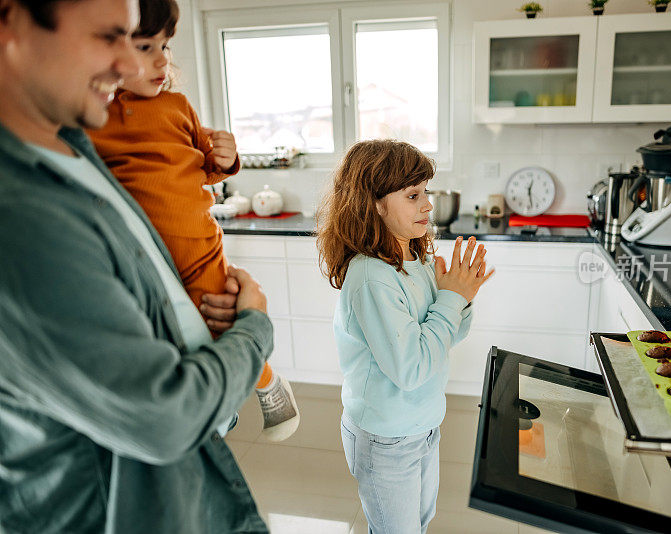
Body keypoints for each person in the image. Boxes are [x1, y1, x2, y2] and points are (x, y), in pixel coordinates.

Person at [0, 0, 273, 532]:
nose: (130, 67)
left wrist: (193, 318)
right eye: (108, 37)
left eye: (140, 42)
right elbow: (164, 417)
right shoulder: (19, 215)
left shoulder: (74, 146)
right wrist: (254, 330)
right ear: (10, 21)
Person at [87, 0, 299, 441]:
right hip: (144, 253)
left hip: (198, 244)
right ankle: (213, 412)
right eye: (146, 47)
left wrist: (227, 156)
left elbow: (205, 165)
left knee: (220, 320)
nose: (163, 60)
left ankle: (266, 383)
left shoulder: (176, 106)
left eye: (165, 46)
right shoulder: (92, 118)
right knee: (180, 336)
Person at [316, 140, 494, 533]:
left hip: (423, 425)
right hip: (386, 438)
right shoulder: (371, 275)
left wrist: (461, 298)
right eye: (413, 195)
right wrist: (450, 299)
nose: (427, 205)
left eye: (425, 192)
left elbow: (447, 337)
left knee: (419, 523)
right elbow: (411, 368)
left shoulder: (418, 258)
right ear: (374, 203)